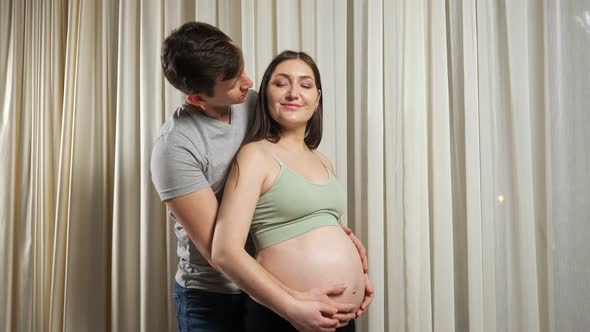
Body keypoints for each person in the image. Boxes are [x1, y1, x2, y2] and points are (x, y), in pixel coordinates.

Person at [151, 22, 372, 331]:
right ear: (198, 99)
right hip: (214, 295)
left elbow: (290, 190)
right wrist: (292, 302)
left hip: (278, 287)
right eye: (233, 81)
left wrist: (339, 239)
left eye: (242, 69)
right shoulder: (175, 148)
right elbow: (221, 253)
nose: (249, 82)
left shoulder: (257, 103)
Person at [211, 50, 373, 332]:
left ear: (317, 98)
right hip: (284, 318)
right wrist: (292, 307)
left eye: (306, 85)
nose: (293, 93)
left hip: (341, 318)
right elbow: (225, 252)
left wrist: (359, 275)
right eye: (281, 83)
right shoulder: (255, 156)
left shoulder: (323, 160)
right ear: (265, 95)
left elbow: (326, 227)